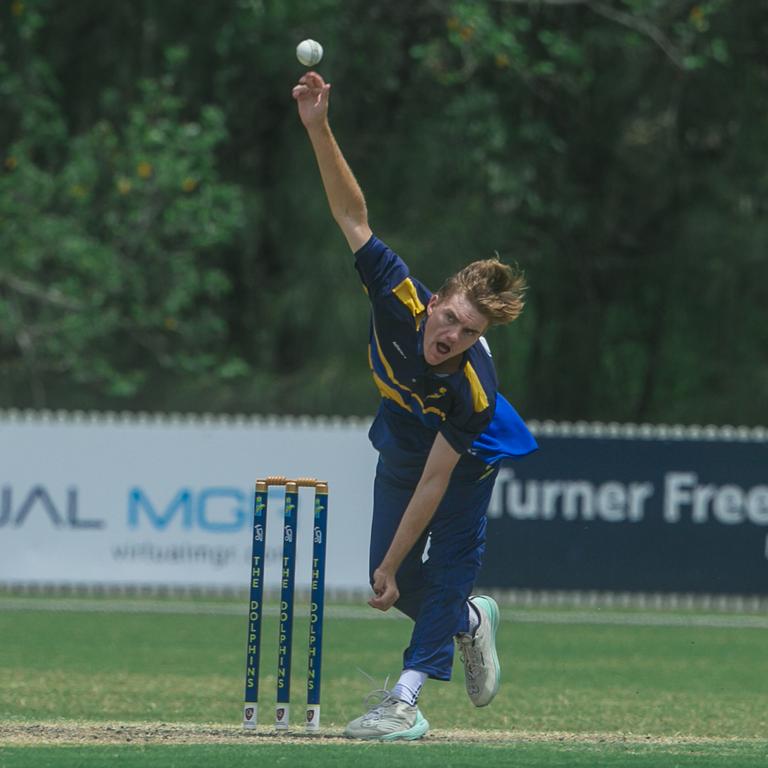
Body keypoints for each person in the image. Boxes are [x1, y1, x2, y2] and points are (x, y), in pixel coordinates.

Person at [292, 71, 538, 741]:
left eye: (469, 333)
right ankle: (469, 622)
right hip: (403, 430)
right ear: (434, 303)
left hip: (465, 455)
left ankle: (405, 699)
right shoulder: (398, 295)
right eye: (452, 319)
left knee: (442, 564)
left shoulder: (473, 391)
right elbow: (352, 215)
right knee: (388, 574)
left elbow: (438, 479)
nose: (451, 337)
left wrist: (398, 560)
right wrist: (319, 127)